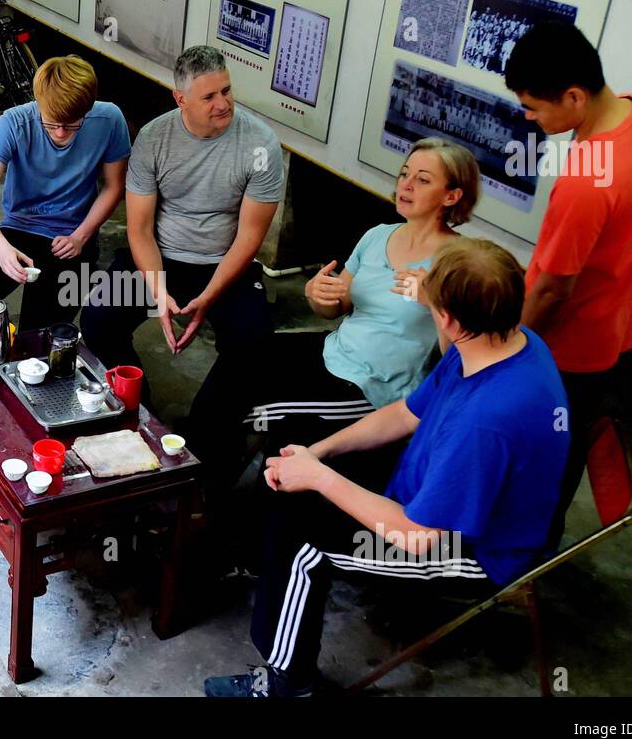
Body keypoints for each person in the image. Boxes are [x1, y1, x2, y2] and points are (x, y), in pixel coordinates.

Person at [205, 239, 569, 697]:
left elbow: (418, 535)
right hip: (422, 486)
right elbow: (405, 414)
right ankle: (276, 587)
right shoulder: (498, 338)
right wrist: (319, 453)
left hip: (471, 549)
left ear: (450, 320)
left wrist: (321, 478)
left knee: (303, 543)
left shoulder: (487, 421)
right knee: (291, 487)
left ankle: (287, 686)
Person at [504, 21, 632, 546]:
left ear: (574, 96)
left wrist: (510, 351)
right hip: (615, 334)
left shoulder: (586, 183)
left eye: (534, 107)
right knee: (564, 455)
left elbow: (553, 290)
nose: (529, 118)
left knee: (533, 465)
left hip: (565, 352)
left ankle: (510, 569)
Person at [81, 46, 284, 481]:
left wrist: (207, 298)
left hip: (225, 263)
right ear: (181, 100)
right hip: (161, 256)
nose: (223, 103)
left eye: (227, 91)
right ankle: (142, 412)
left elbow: (250, 237)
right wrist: (159, 291)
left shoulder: (260, 144)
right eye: (209, 96)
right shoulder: (154, 138)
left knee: (253, 343)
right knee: (98, 320)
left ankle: (203, 437)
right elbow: (138, 229)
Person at [238, 138, 480, 487]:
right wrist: (317, 294)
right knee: (239, 358)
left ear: (452, 196)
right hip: (333, 350)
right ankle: (193, 472)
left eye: (423, 180)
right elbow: (335, 308)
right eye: (404, 174)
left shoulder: (459, 263)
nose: (406, 185)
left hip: (371, 387)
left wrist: (437, 301)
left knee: (256, 410)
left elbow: (461, 362)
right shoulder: (378, 235)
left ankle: (214, 492)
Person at [0, 54, 130, 330]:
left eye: (72, 124)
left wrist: (81, 236)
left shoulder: (109, 119)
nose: (60, 133)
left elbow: (114, 185)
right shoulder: (13, 122)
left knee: (41, 337)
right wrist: (1, 250)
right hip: (19, 229)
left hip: (73, 238)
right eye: (51, 123)